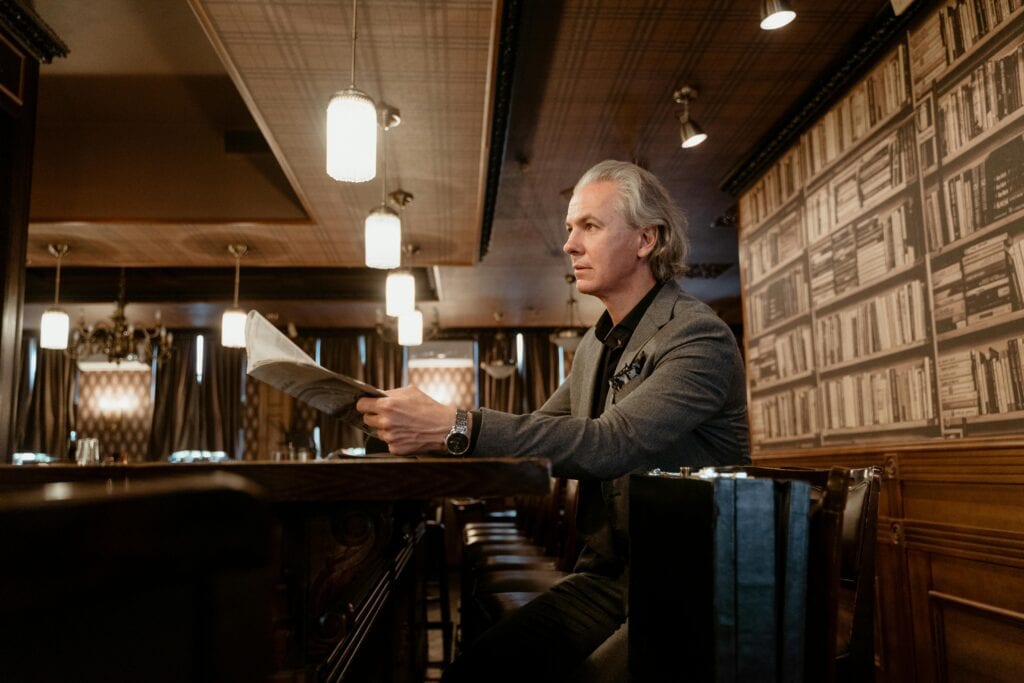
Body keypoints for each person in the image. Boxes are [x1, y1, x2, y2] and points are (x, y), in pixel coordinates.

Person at [356, 159, 750, 682]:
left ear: (646, 239)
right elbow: (536, 433)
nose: (569, 244)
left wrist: (454, 424)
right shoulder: (595, 344)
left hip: (691, 584)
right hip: (610, 577)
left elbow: (611, 444)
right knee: (477, 670)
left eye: (590, 226)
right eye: (570, 228)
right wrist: (405, 432)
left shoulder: (698, 336)